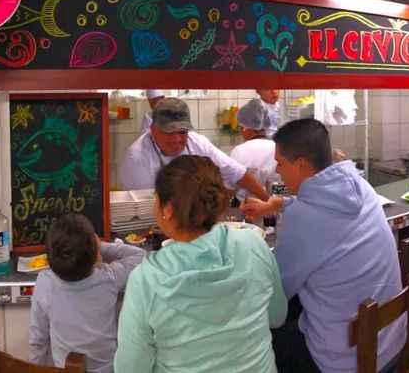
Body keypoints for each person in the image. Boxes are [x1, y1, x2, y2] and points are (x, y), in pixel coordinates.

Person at [240, 119, 405, 373]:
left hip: (345, 361)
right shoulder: (359, 186)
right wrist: (281, 203)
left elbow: (277, 292)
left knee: (266, 343)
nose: (277, 170)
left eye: (281, 163)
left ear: (302, 165)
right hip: (391, 340)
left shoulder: (302, 220)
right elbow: (322, 209)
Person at [115, 155, 287, 373]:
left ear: (167, 209)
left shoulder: (146, 279)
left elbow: (130, 368)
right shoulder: (253, 244)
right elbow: (277, 316)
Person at [29, 214, 145, 373]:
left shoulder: (45, 282)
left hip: (66, 370)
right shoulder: (108, 277)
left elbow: (38, 340)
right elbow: (141, 256)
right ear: (96, 254)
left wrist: (36, 369)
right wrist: (103, 245)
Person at [119, 98, 268, 199]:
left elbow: (238, 173)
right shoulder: (137, 157)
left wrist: (269, 204)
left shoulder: (197, 142)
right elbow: (148, 204)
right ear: (152, 129)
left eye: (182, 132)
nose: (177, 139)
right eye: (169, 132)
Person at [229, 98, 277, 201]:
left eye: (241, 128)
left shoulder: (240, 151)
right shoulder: (278, 148)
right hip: (277, 206)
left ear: (246, 130)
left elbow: (230, 186)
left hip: (249, 209)